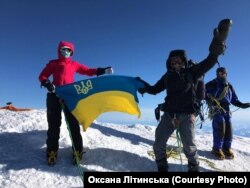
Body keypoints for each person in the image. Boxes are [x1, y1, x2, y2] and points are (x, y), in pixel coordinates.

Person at [137, 19, 231, 172]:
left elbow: (210, 61)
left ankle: (193, 167)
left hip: (187, 116)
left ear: (183, 61)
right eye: (172, 61)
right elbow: (155, 89)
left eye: (178, 61)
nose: (175, 63)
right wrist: (143, 86)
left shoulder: (192, 72)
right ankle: (162, 164)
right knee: (159, 142)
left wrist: (218, 44)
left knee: (190, 146)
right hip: (169, 114)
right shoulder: (167, 76)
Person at [39, 41, 113, 165]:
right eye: (63, 49)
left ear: (72, 52)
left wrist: (103, 71)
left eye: (68, 50)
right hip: (54, 95)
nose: (66, 52)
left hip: (70, 96)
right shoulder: (53, 63)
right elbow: (42, 76)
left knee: (73, 124)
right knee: (53, 125)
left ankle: (77, 151)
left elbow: (88, 71)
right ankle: (52, 151)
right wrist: (47, 84)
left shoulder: (74, 64)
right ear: (59, 50)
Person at [205, 67, 250, 160]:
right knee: (220, 129)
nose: (220, 75)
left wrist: (242, 105)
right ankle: (216, 149)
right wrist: (209, 100)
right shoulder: (212, 83)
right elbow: (202, 92)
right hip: (217, 109)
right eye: (219, 73)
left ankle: (226, 148)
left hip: (227, 110)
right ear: (217, 74)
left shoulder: (229, 86)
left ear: (226, 74)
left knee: (229, 130)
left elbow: (234, 99)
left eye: (222, 73)